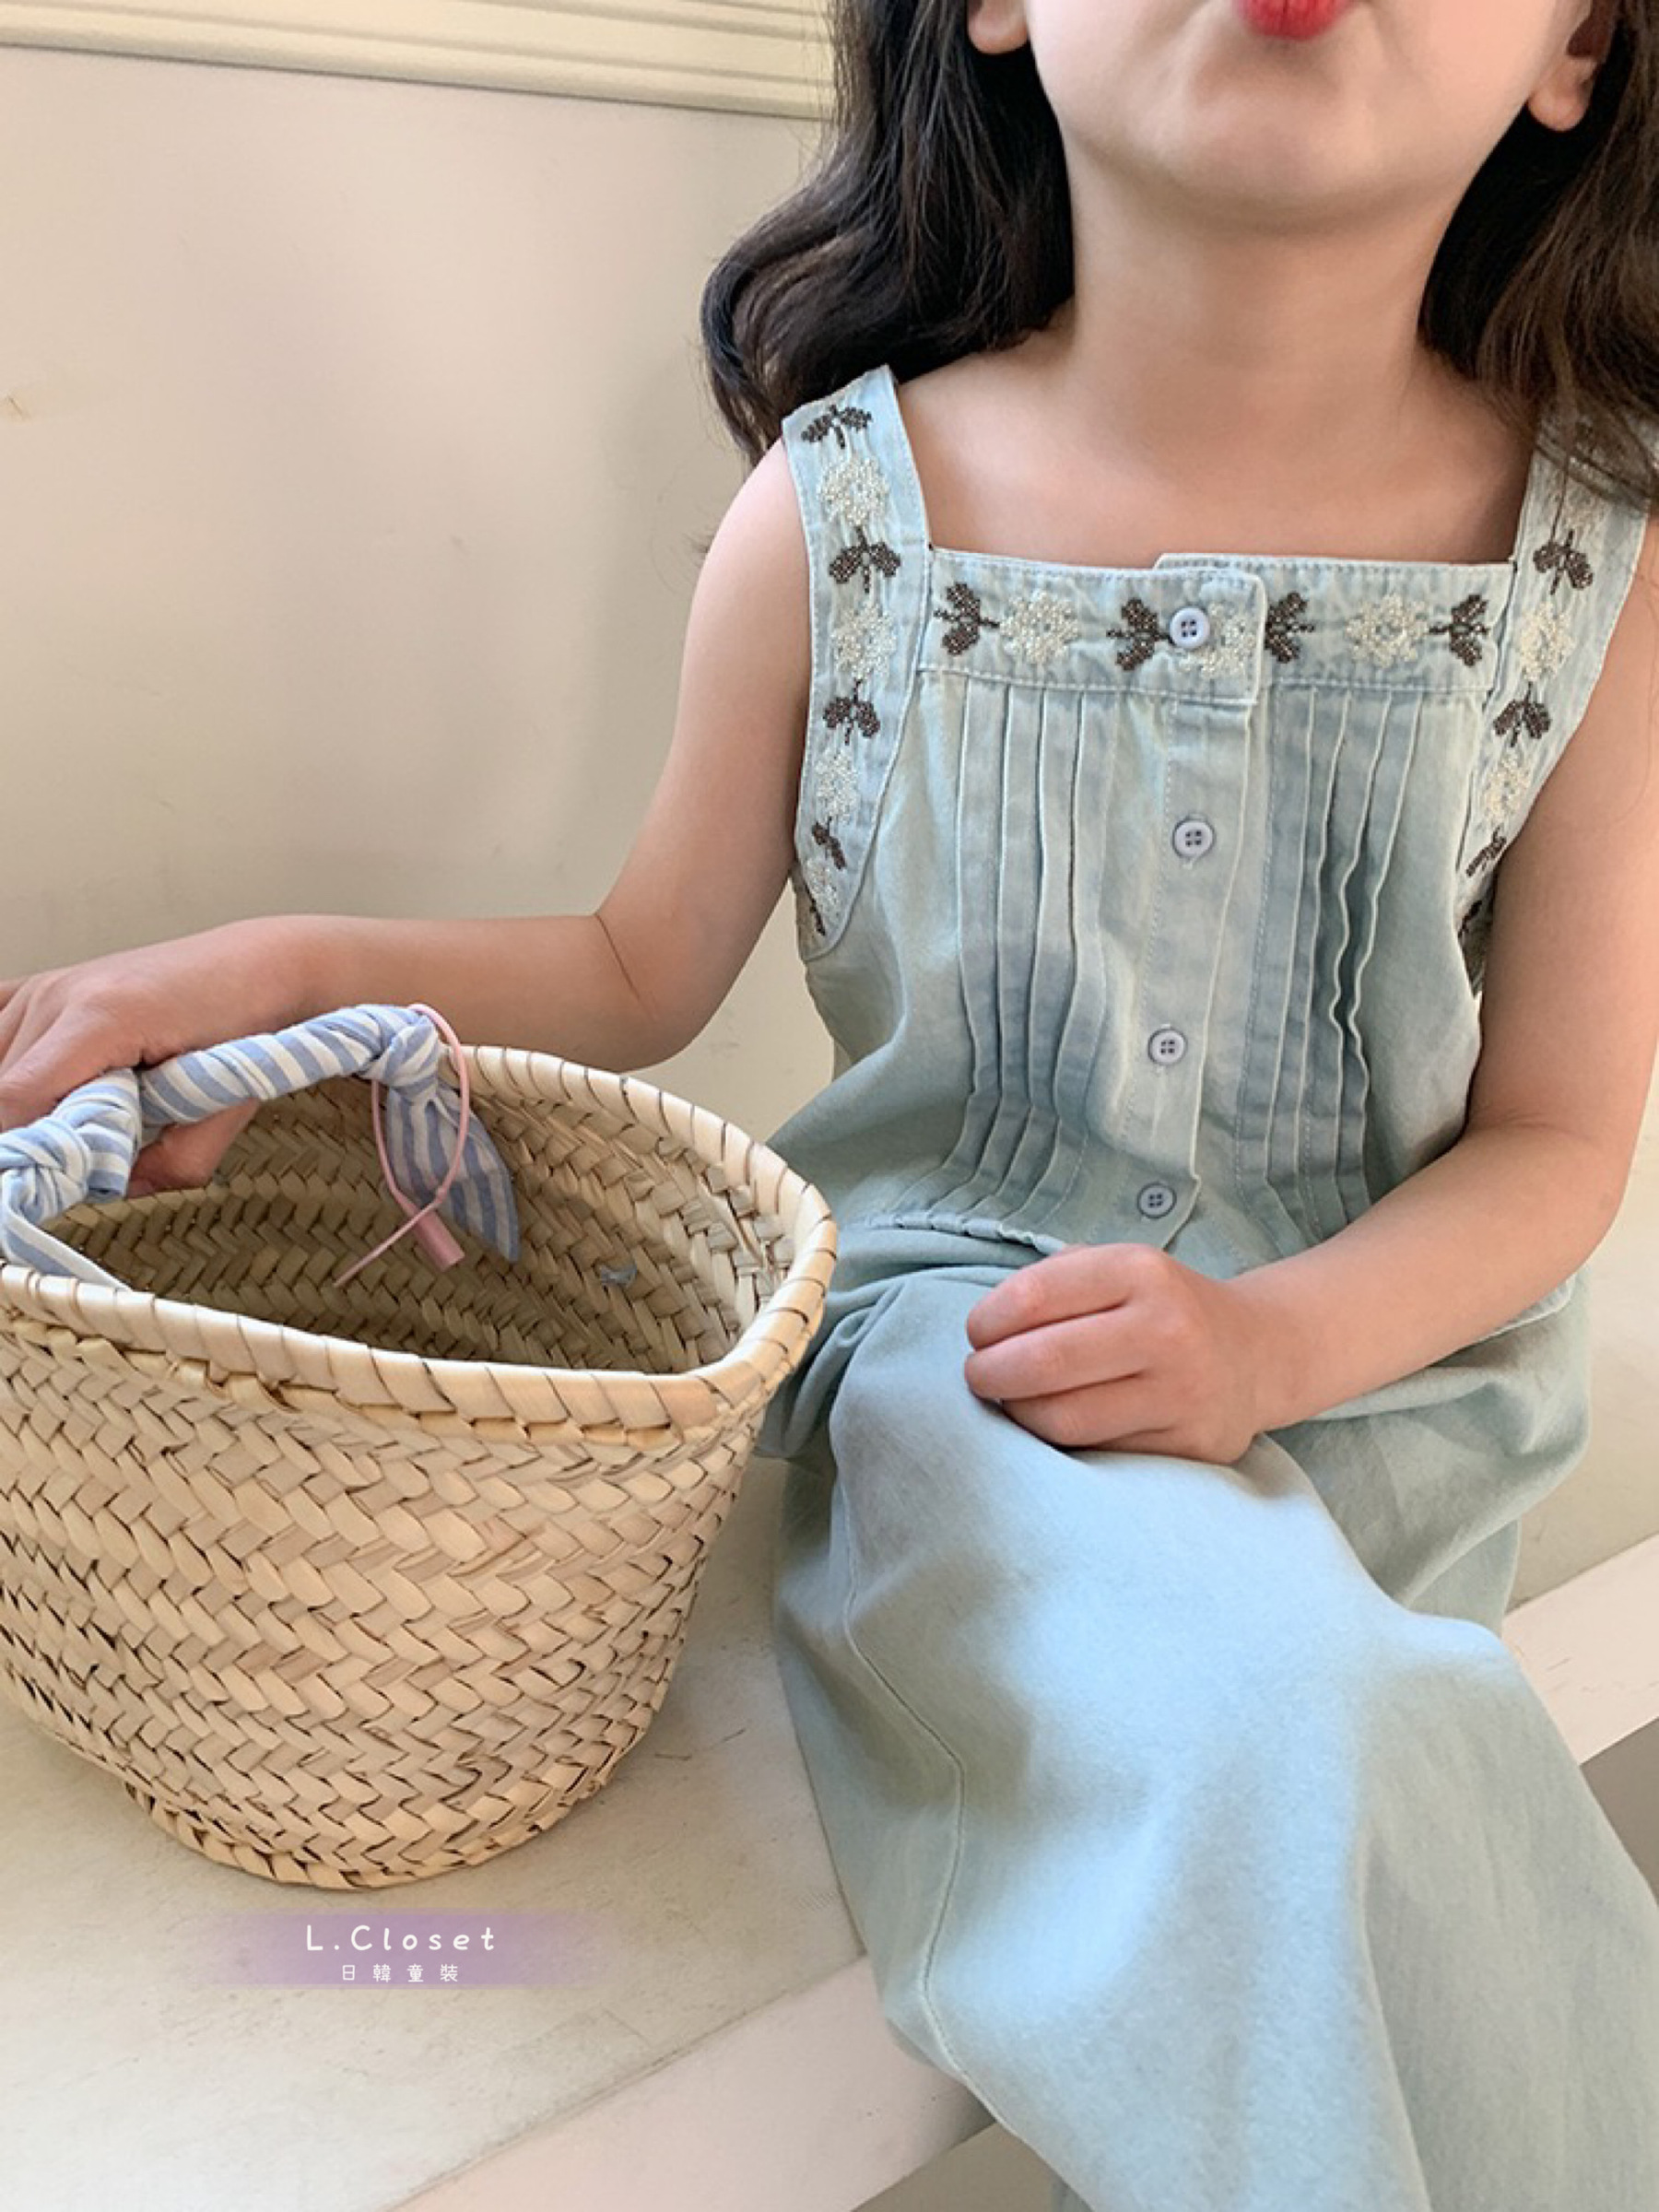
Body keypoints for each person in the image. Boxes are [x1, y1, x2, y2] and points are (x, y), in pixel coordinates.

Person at [4, 0, 1659, 2203]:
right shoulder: (845, 515)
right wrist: (282, 971)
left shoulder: (1593, 567)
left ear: (1575, 52)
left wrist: (1277, 1343)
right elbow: (635, 968)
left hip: (1397, 1388)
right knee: (1313, 1722)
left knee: (1379, 1740)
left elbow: (1558, 1142)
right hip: (980, 1370)